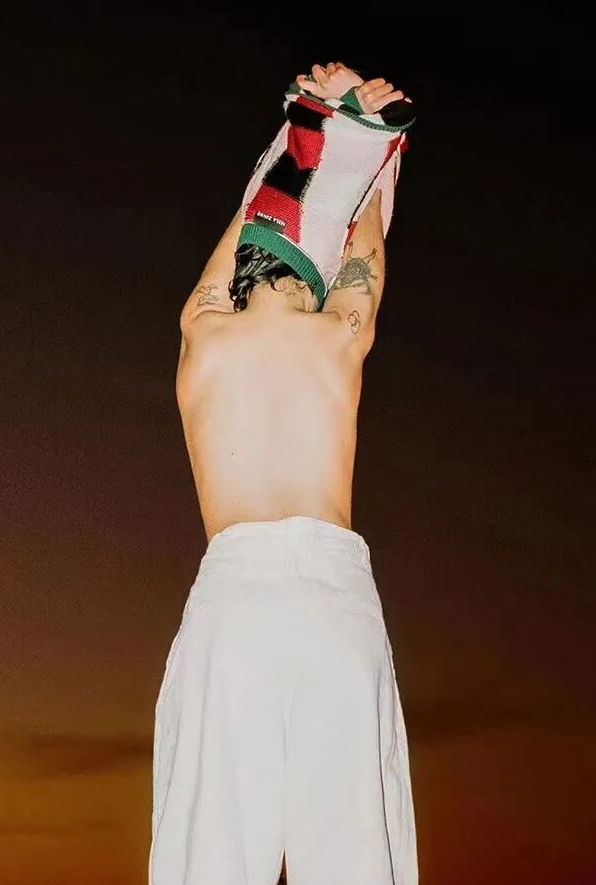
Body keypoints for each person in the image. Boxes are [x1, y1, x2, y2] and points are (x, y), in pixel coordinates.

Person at [149, 63, 419, 884]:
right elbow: (366, 239)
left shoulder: (201, 339)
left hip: (234, 603)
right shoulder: (340, 335)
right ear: (320, 281)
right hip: (333, 604)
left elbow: (252, 217)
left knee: (206, 857)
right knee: (357, 858)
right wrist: (366, 147)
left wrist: (312, 133)